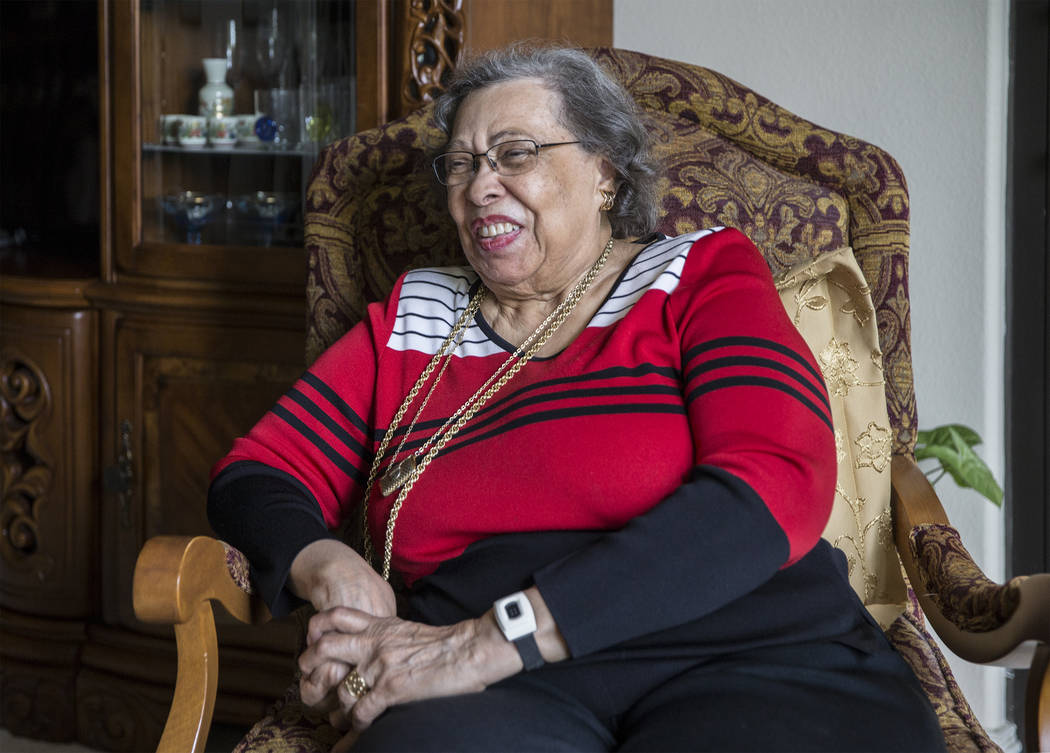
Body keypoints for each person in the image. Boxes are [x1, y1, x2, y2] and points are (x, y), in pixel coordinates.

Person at [208, 44, 945, 752]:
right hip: (496, 695)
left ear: (606, 175)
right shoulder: (413, 319)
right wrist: (333, 570)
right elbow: (257, 473)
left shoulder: (699, 274)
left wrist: (490, 640)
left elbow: (775, 479)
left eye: (516, 154)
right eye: (460, 164)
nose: (478, 185)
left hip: (743, 649)